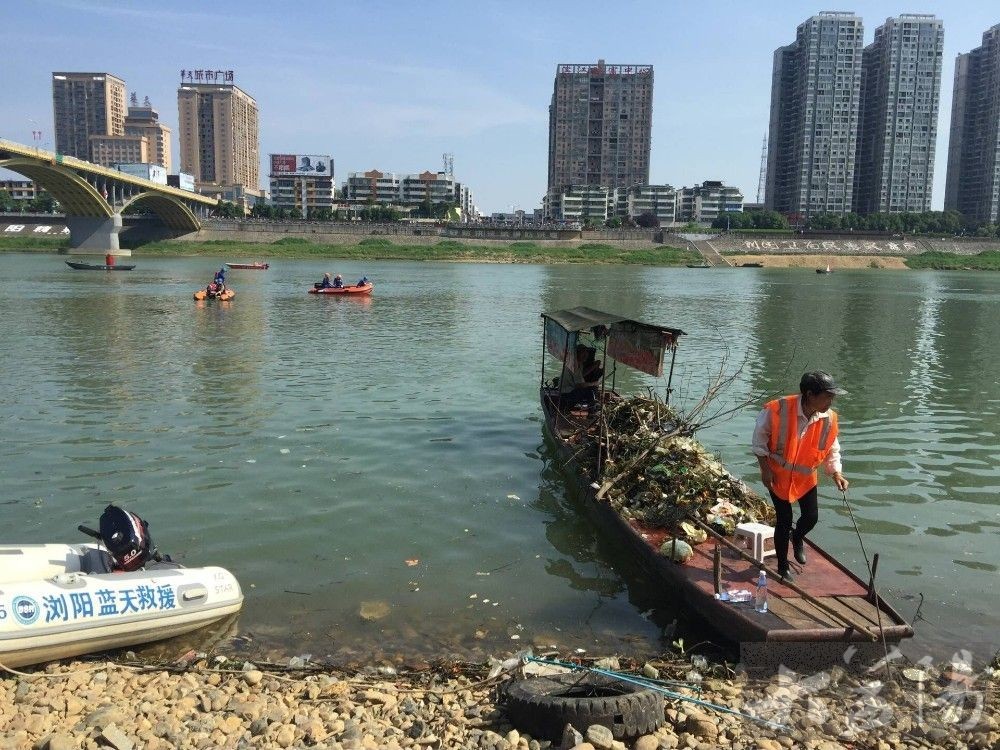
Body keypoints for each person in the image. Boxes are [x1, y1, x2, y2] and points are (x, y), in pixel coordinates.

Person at [752, 371, 850, 582]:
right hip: (778, 474)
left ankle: (797, 537)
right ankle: (782, 566)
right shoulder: (777, 409)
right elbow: (759, 442)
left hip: (805, 477)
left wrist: (836, 474)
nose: (830, 401)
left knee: (811, 517)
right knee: (784, 520)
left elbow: (832, 448)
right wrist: (764, 470)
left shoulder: (829, 418)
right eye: (827, 396)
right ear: (809, 394)